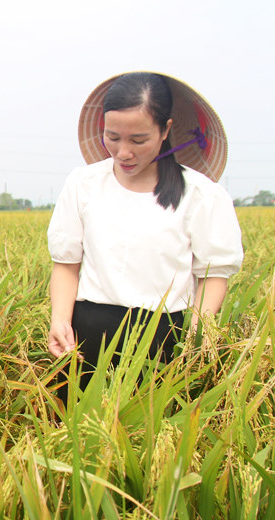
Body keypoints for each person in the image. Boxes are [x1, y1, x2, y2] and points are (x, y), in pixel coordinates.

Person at [47, 72, 243, 391]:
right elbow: (66, 265)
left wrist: (199, 331)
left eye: (138, 140)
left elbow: (213, 274)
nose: (123, 152)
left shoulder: (201, 195)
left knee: (155, 435)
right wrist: (59, 320)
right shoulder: (83, 184)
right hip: (86, 336)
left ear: (165, 130)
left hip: (165, 338)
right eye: (113, 137)